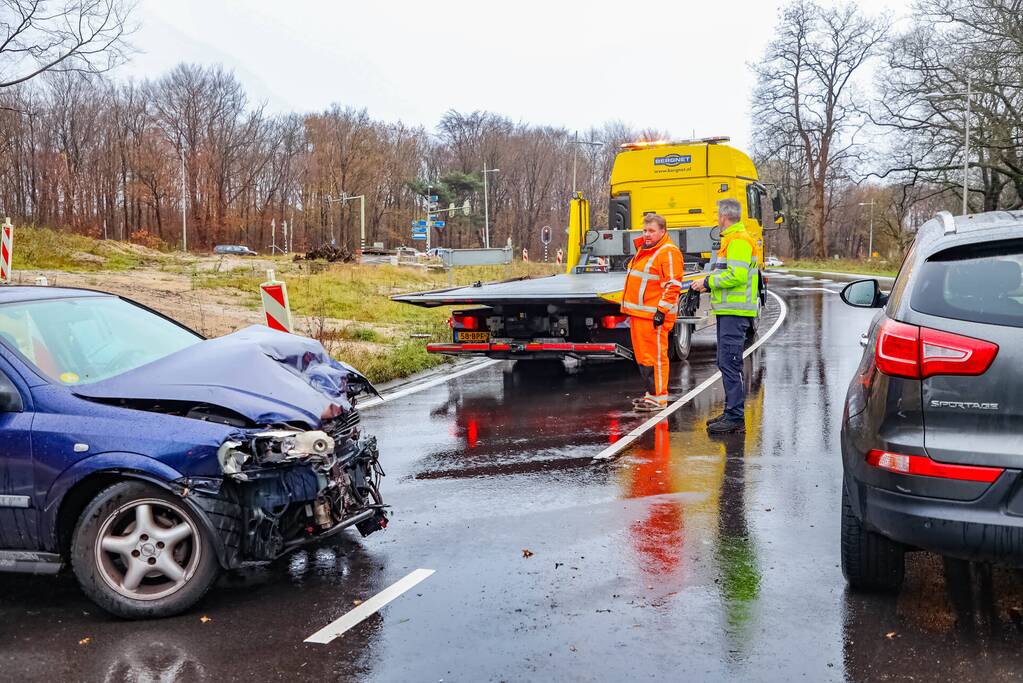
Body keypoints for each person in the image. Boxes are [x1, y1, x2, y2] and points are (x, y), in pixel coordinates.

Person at [690, 198, 760, 433]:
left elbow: (737, 276)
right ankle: (731, 412)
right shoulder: (731, 240)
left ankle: (736, 418)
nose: (716, 220)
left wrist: (707, 282)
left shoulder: (738, 241)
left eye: (717, 216)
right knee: (725, 362)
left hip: (735, 312)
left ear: (723, 217)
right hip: (729, 311)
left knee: (730, 363)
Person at [621, 213, 684, 412]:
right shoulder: (646, 250)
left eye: (651, 231)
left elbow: (673, 285)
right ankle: (652, 395)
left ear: (663, 231)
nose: (647, 234)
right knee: (644, 358)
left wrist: (661, 311)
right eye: (645, 230)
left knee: (655, 358)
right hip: (640, 314)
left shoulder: (668, 252)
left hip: (653, 316)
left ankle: (660, 398)